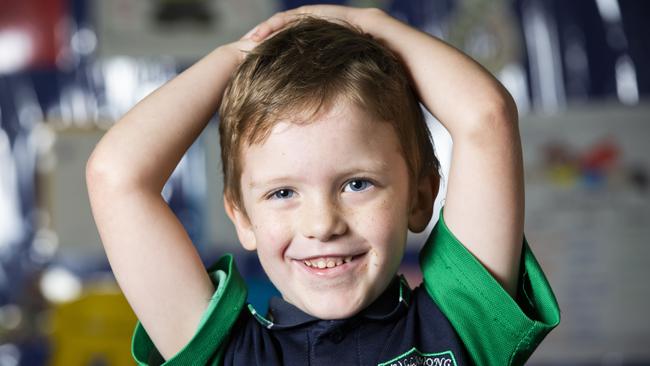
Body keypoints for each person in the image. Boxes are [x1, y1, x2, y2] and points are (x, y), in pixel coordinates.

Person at [85, 5, 560, 366]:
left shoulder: (461, 327)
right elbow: (117, 176)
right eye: (283, 193)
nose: (322, 224)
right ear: (244, 219)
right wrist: (237, 56)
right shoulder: (231, 356)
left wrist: (370, 23)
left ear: (419, 197)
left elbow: (487, 118)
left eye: (357, 184)